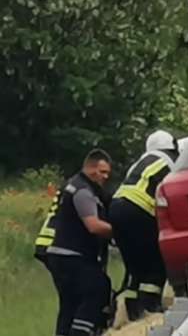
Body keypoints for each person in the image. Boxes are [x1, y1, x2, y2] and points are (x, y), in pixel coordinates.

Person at [34, 149, 115, 336]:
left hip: (56, 253)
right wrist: (122, 231)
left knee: (70, 302)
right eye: (102, 172)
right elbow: (93, 226)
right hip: (71, 254)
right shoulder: (83, 191)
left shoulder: (72, 185)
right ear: (90, 168)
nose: (105, 177)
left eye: (107, 173)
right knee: (98, 288)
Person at [109, 130, 179, 320]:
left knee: (134, 266)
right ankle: (150, 306)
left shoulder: (139, 163)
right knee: (155, 261)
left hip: (116, 208)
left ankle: (131, 309)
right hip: (139, 210)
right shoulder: (171, 162)